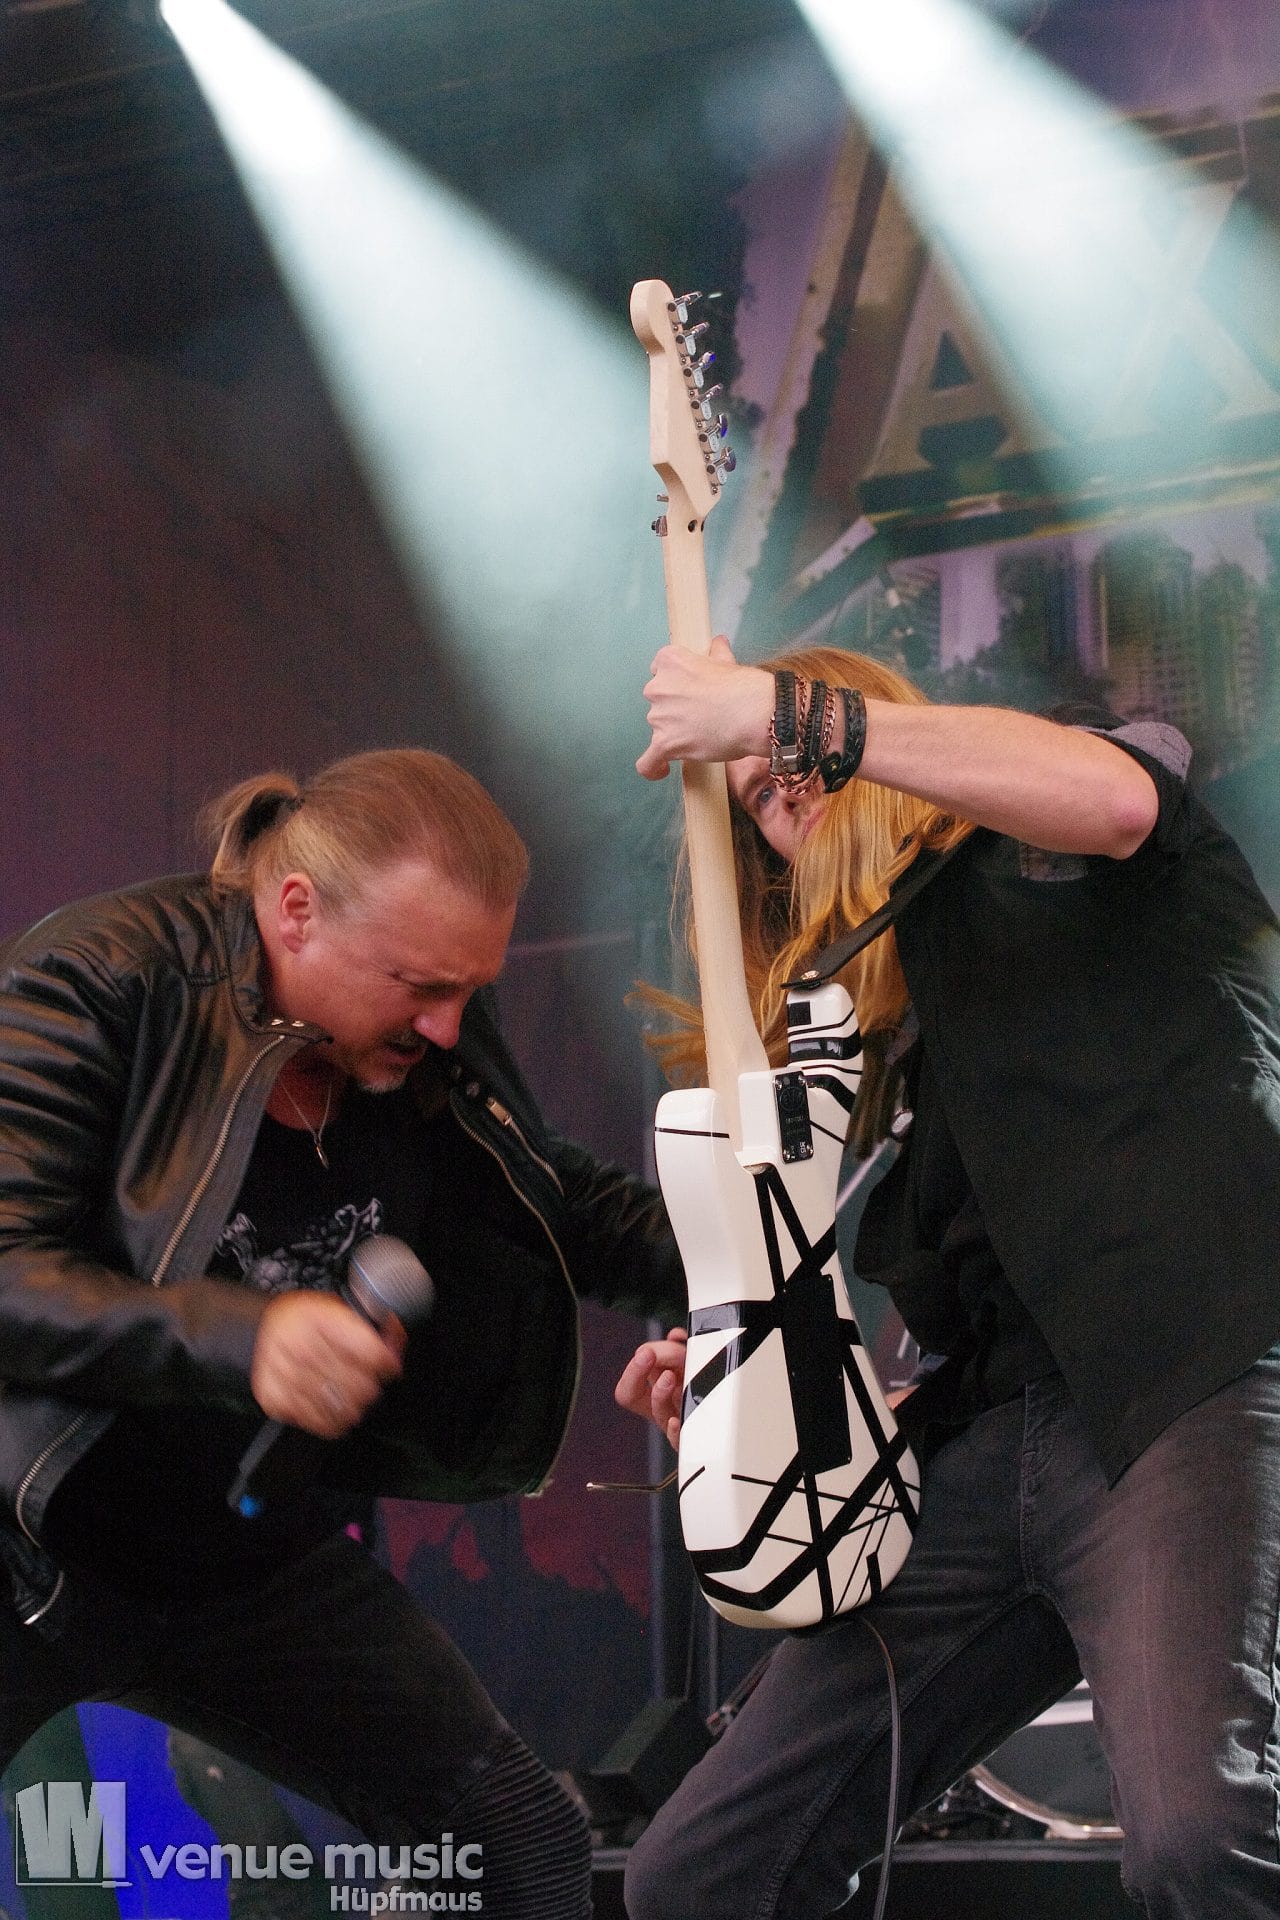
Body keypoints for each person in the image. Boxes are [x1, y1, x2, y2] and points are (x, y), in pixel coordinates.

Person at [617, 637, 1280, 1920]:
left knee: (1201, 1840)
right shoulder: (895, 1050)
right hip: (990, 1454)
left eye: (794, 756)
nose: (785, 793)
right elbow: (972, 1331)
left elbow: (1116, 799)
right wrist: (766, 1403)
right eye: (758, 798)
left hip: (1189, 1390)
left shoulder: (1052, 840)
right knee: (697, 1875)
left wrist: (781, 711)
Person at [0, 746, 684, 1919]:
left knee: (519, 1840)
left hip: (237, 1556)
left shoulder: (425, 1033)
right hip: (28, 1534)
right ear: (295, 911)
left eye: (469, 988)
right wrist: (244, 1340)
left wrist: (750, 1270)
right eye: (419, 985)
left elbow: (552, 1194)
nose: (447, 1024)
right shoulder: (105, 975)